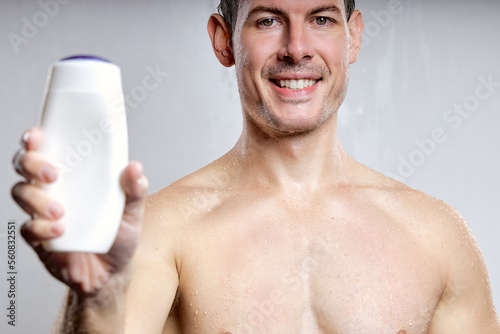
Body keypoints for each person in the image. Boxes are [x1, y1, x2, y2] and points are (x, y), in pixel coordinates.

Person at [11, 0, 500, 333]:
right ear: (224, 40)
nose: (297, 47)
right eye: (267, 20)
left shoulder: (435, 234)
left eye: (322, 19)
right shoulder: (162, 230)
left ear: (353, 37)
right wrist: (94, 297)